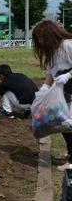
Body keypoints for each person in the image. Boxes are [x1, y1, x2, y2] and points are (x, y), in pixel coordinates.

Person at [32, 20, 72, 170]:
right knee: (62, 123)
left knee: (68, 124)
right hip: (62, 91)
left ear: (49, 35)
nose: (40, 42)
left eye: (41, 38)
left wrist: (68, 74)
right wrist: (45, 86)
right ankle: (70, 153)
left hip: (70, 88)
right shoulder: (52, 52)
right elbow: (51, 71)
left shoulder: (68, 45)